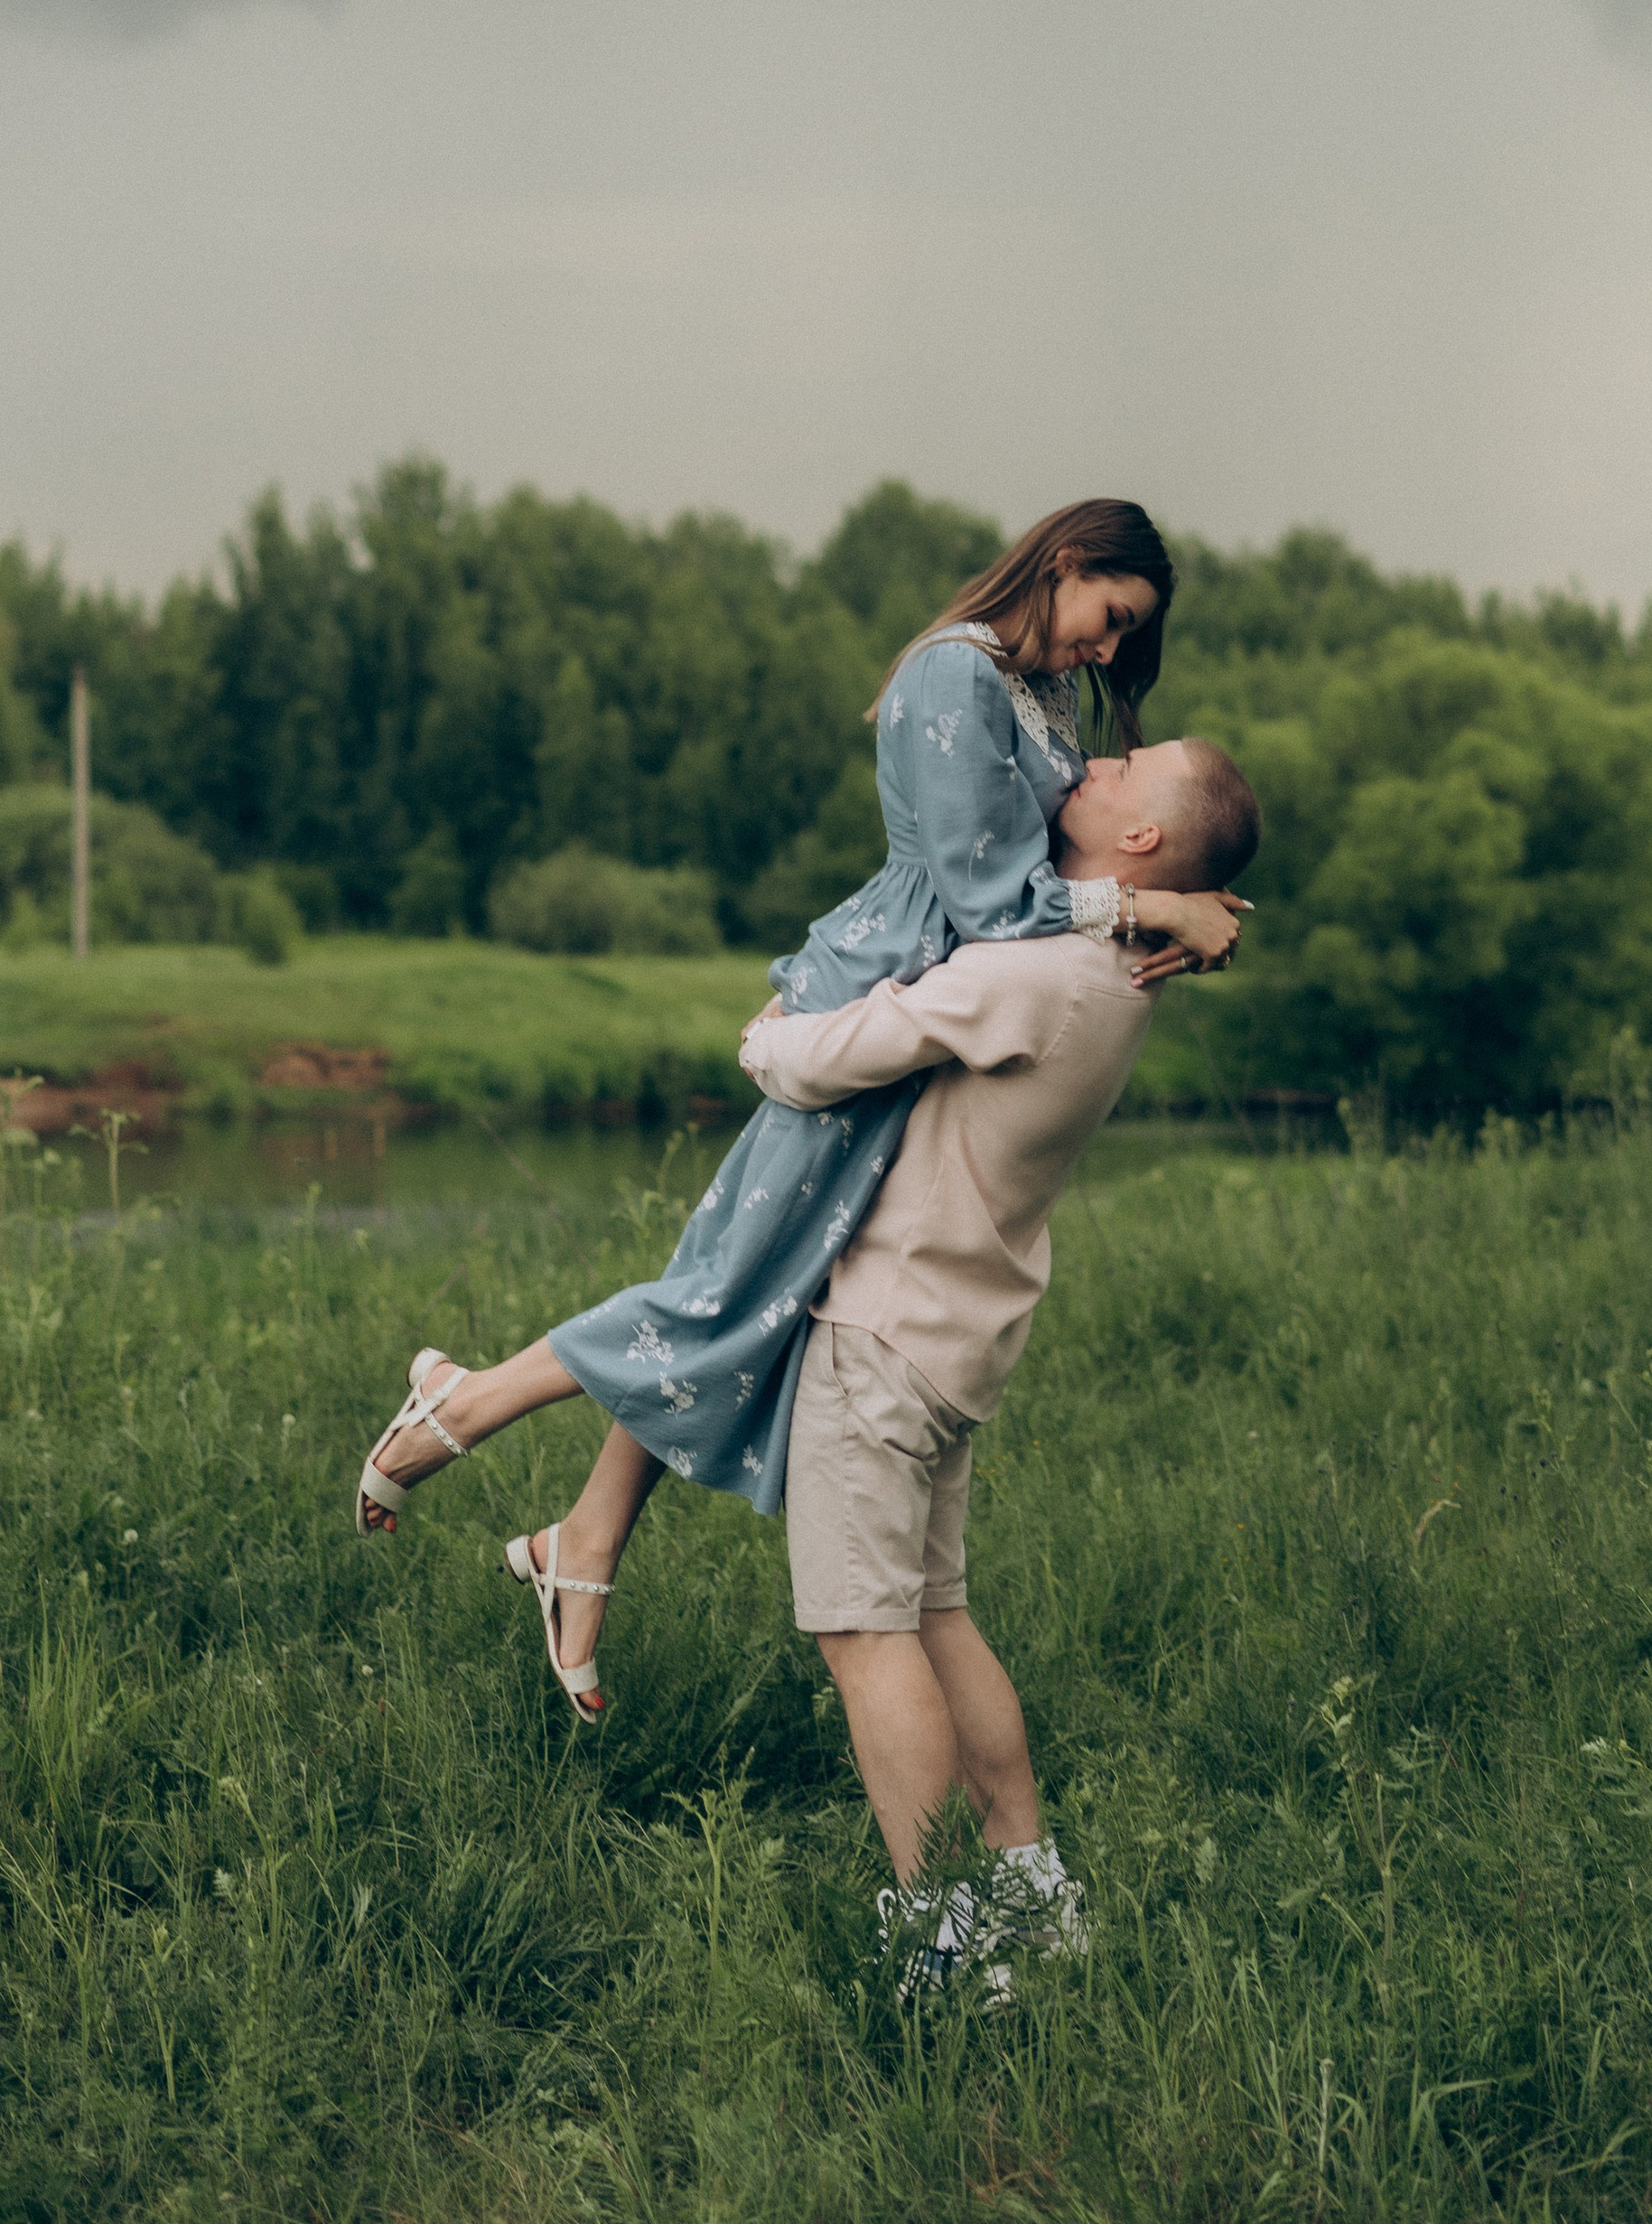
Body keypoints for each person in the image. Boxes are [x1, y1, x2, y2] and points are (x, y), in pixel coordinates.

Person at [351, 501, 1246, 1713]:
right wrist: (1155, 907)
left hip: (932, 1018)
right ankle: (468, 1403)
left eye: (1126, 635)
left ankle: (583, 1539)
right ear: (1069, 561)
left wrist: (1197, 900)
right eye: (1112, 615)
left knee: (756, 1288)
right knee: (733, 1286)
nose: (1109, 649)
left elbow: (1102, 855)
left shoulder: (1041, 689)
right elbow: (993, 900)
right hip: (875, 1002)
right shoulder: (955, 674)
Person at [741, 731, 1263, 1994]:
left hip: (882, 1335)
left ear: (1141, 838)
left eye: (1127, 768)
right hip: (956, 1334)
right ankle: (1032, 1892)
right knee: (937, 1614)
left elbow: (826, 1057)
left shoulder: (1036, 973)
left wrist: (763, 1036)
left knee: (867, 1637)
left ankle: (940, 1943)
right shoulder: (1113, 967)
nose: (1097, 760)